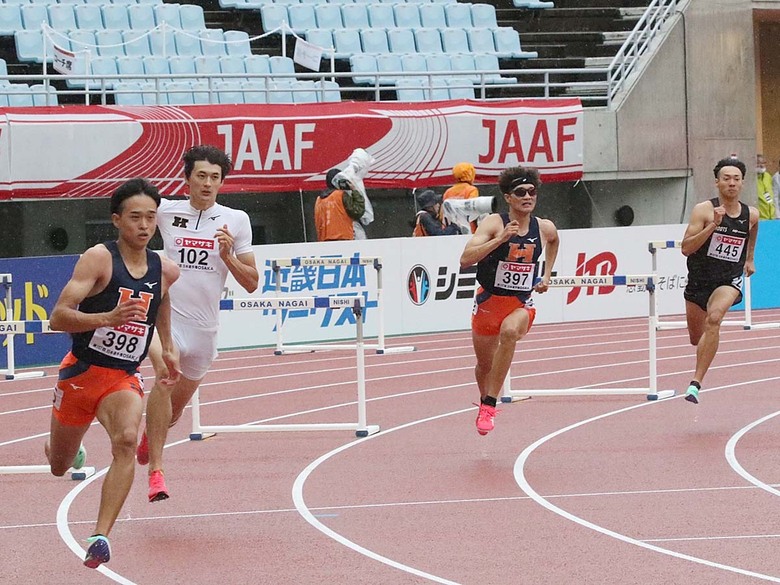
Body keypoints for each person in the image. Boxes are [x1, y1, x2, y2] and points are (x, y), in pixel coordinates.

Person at [46, 178, 180, 569]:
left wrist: (167, 346)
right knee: (58, 465)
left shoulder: (164, 269)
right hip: (81, 373)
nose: (144, 225)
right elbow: (58, 317)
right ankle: (67, 453)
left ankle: (100, 535)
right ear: (117, 220)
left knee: (125, 440)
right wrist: (107, 317)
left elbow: (162, 300)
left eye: (151, 218)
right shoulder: (99, 259)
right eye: (135, 217)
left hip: (122, 376)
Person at [136, 145, 259, 502]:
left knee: (172, 414)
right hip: (168, 322)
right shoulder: (166, 211)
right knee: (163, 374)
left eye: (215, 178)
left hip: (205, 331)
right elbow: (134, 217)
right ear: (187, 177)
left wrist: (227, 256)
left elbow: (252, 283)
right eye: (201, 176)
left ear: (222, 182)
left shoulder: (236, 220)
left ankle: (151, 438)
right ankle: (156, 472)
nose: (207, 184)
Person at [459, 166, 559, 435]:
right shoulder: (494, 222)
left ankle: (491, 403)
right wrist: (501, 239)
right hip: (488, 302)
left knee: (510, 331)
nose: (528, 196)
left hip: (520, 303)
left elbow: (553, 241)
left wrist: (546, 275)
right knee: (484, 366)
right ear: (508, 197)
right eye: (520, 192)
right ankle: (484, 401)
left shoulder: (544, 226)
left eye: (532, 192)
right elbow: (466, 259)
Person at [680, 157, 758, 404]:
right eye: (726, 179)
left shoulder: (751, 214)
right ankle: (702, 361)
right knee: (696, 338)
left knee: (714, 319)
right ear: (717, 182)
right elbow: (686, 248)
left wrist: (749, 258)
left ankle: (695, 384)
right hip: (699, 281)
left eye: (736, 179)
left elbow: (753, 230)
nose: (732, 183)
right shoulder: (703, 210)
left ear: (742, 183)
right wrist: (713, 225)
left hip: (728, 280)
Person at [314, 168, 366, 241]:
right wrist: (354, 191)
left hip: (324, 242)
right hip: (342, 239)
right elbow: (358, 211)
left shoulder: (319, 199)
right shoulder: (341, 195)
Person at [443, 162, 480, 233]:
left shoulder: (448, 192)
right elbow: (473, 211)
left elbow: (445, 215)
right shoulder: (471, 190)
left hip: (452, 229)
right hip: (469, 228)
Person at [756, 153, 775, 220]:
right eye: (758, 163)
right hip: (759, 218)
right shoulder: (751, 178)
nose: (761, 165)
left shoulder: (768, 176)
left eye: (763, 163)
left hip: (771, 217)